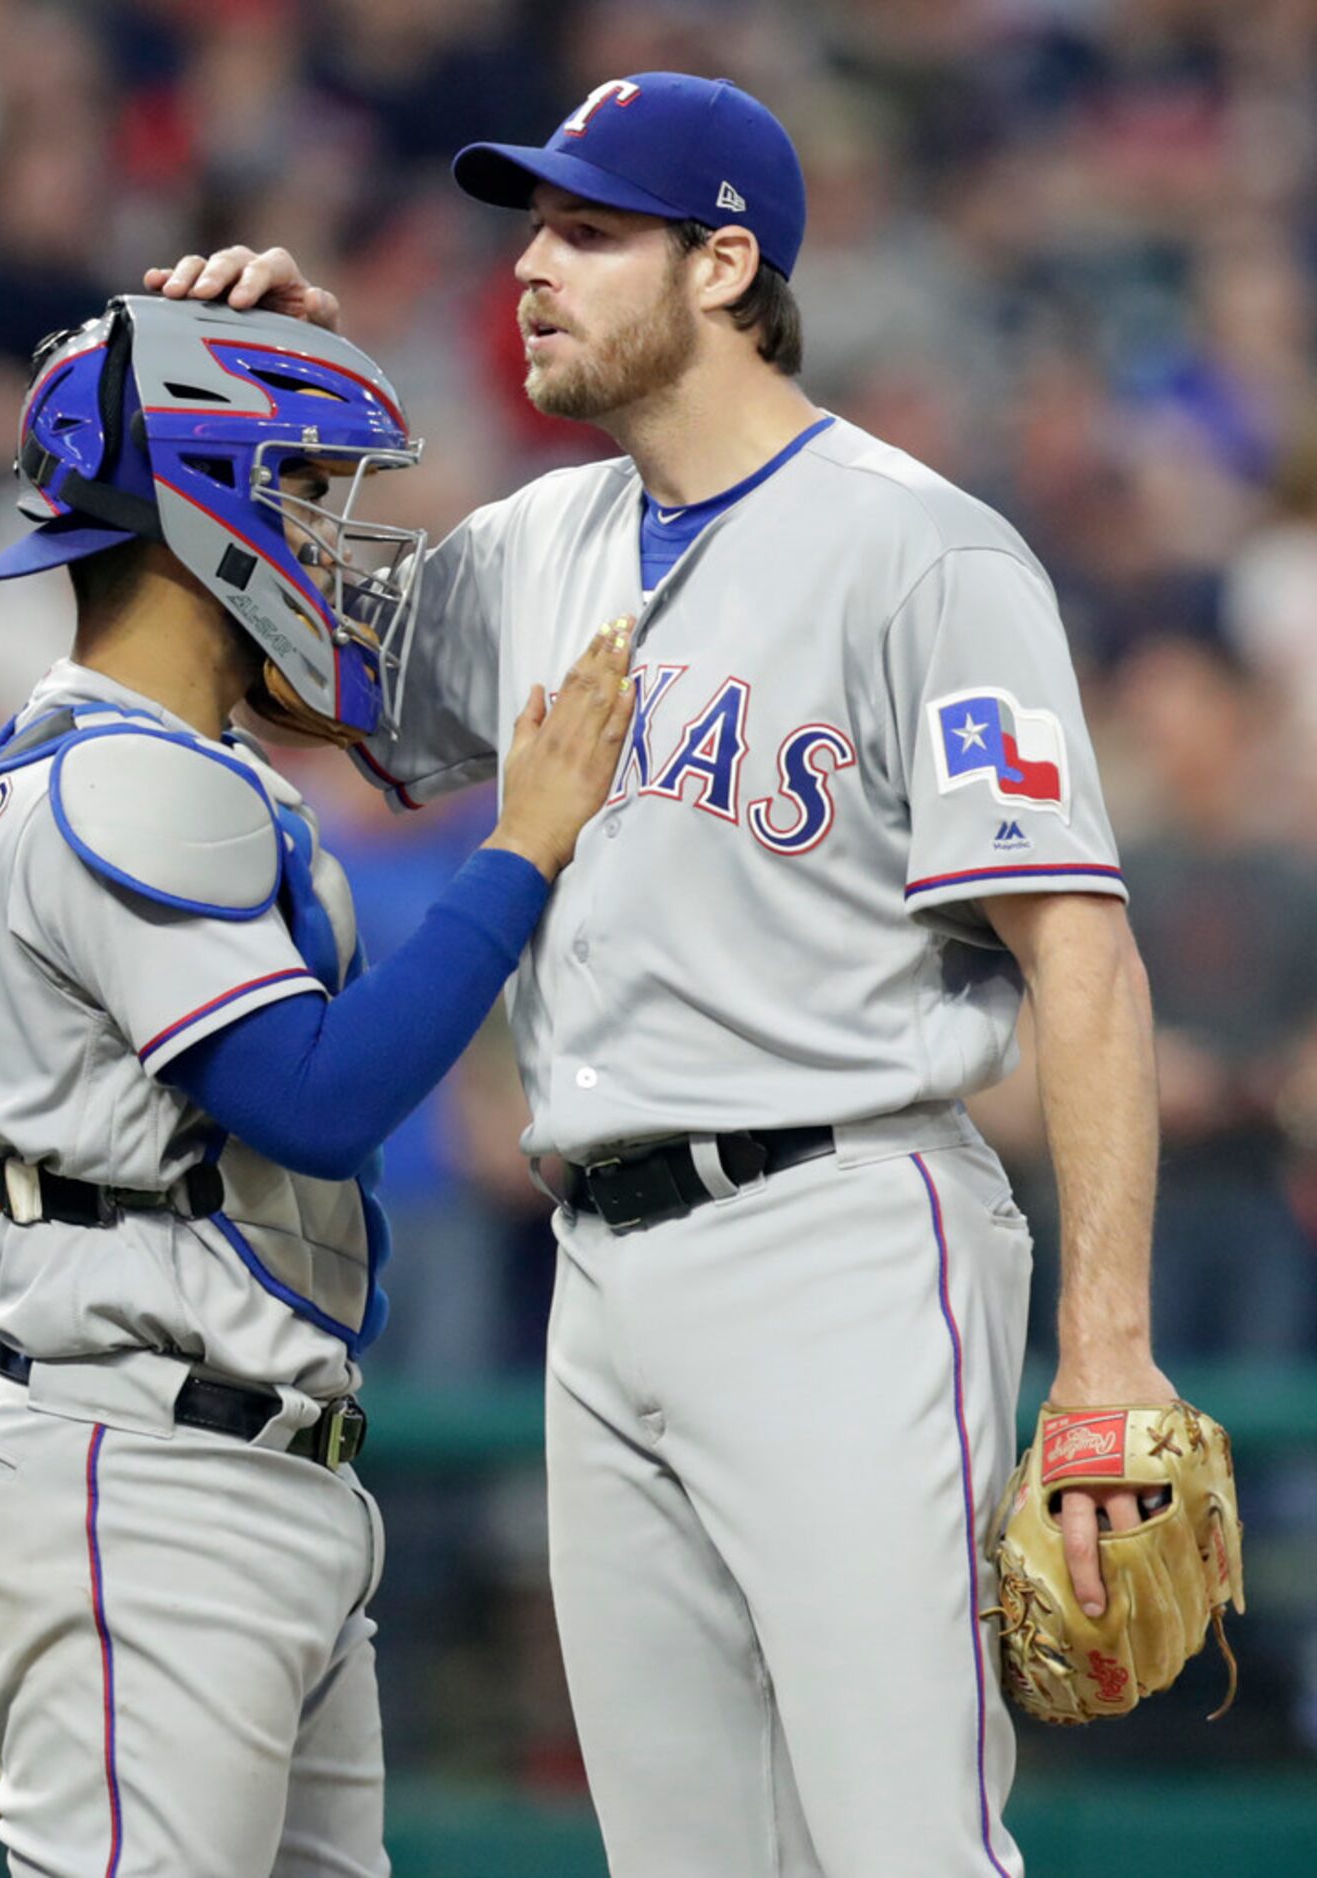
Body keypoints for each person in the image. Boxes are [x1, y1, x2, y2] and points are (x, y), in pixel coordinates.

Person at [154, 73, 1182, 1877]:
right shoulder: (533, 545)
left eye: (585, 230)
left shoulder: (919, 548)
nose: (533, 267)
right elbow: (289, 688)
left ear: (723, 265)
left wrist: (1103, 1354)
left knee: (903, 1844)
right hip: (600, 1263)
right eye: (531, 227)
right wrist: (263, 424)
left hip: (844, 1229)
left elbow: (1078, 957)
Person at [0, 291, 633, 1877]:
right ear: (201, 511)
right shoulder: (123, 779)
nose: (330, 534)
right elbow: (311, 1096)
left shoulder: (185, 759)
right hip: (147, 1470)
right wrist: (522, 845)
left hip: (222, 1464)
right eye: (301, 489)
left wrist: (197, 306)